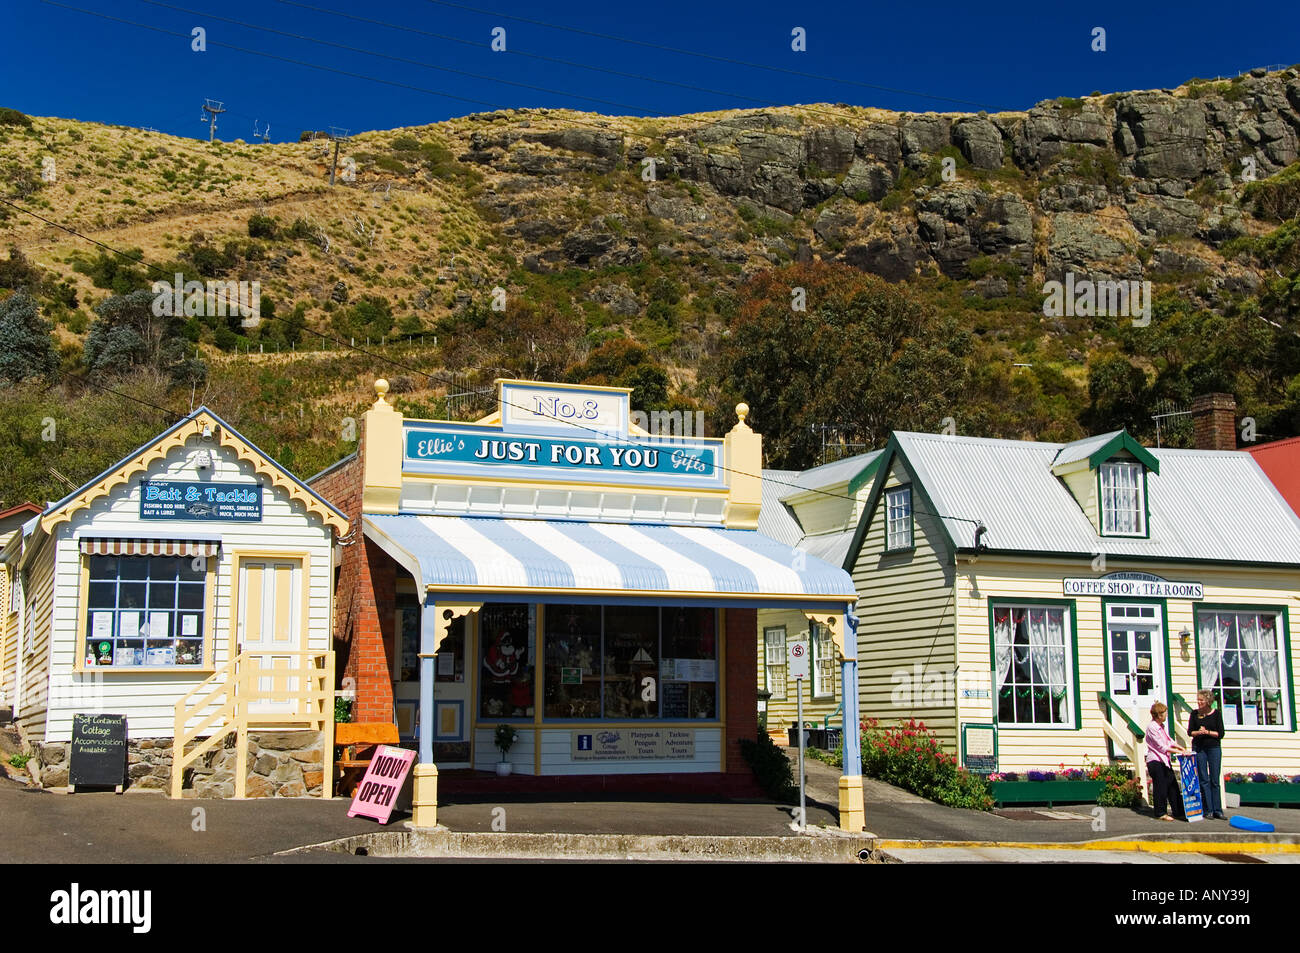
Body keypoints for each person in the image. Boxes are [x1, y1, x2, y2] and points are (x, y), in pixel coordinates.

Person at [1188, 689, 1227, 820]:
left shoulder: (1216, 714)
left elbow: (1220, 734)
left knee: (1214, 779)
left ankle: (1218, 809)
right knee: (1203, 779)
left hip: (1213, 748)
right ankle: (1208, 809)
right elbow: (1190, 732)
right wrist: (1199, 732)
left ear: (1208, 701)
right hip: (1199, 748)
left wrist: (1207, 732)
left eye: (1201, 700)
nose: (1199, 702)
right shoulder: (1194, 714)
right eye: (1198, 700)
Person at [1145, 701, 1186, 821]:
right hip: (1155, 760)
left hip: (1164, 761)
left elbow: (1169, 741)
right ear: (1158, 715)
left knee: (1173, 785)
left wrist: (1180, 747)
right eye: (1164, 713)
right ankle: (1160, 813)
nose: (1166, 715)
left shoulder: (1161, 727)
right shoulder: (1152, 727)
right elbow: (1161, 747)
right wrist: (1179, 752)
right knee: (1160, 787)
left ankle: (1178, 811)